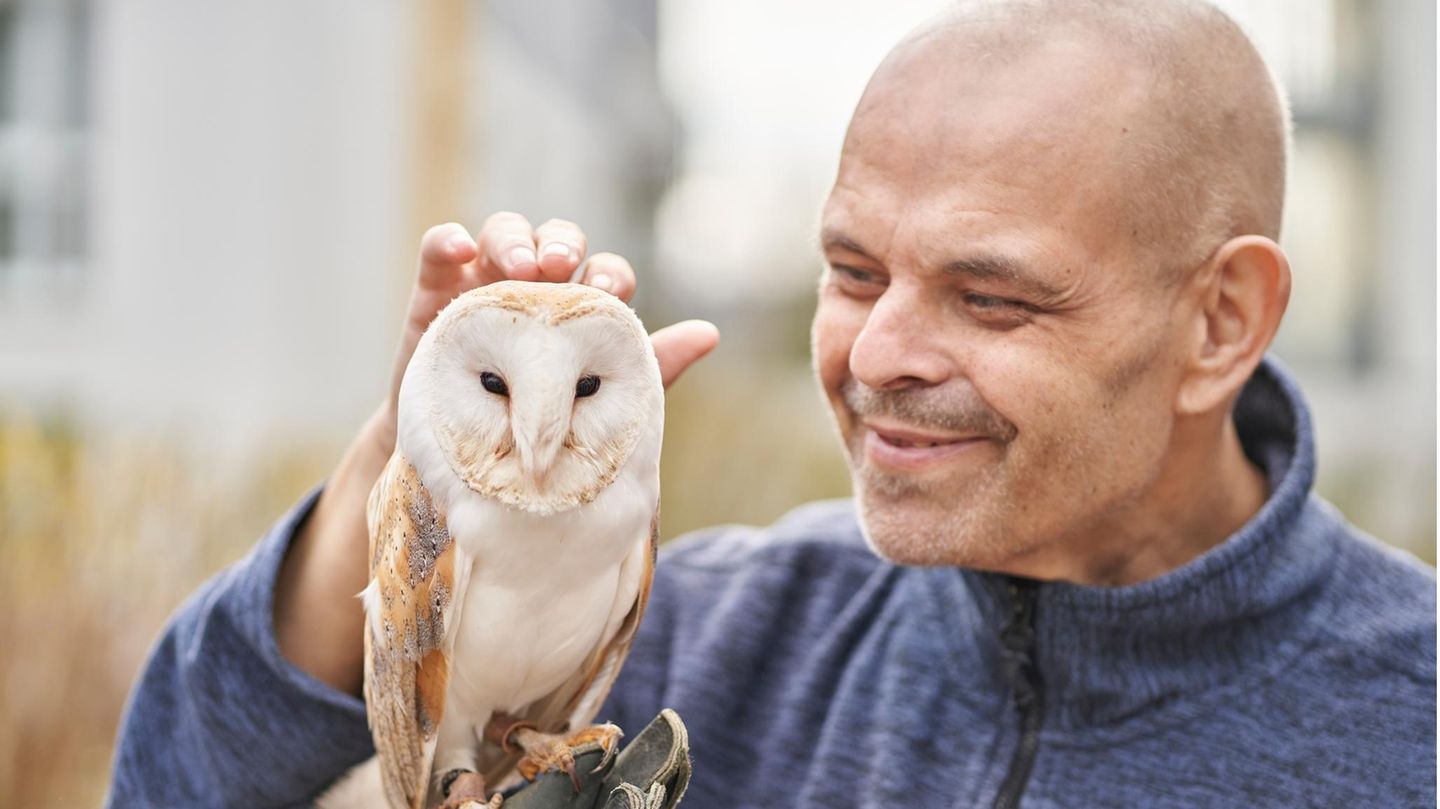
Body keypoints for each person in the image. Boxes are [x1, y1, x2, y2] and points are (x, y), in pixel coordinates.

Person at [107, 1, 1436, 806]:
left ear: (1220, 323)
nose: (881, 352)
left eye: (991, 297)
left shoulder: (1408, 715)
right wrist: (406, 471)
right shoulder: (707, 636)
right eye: (853, 272)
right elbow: (172, 779)